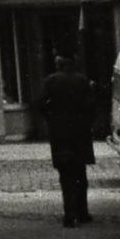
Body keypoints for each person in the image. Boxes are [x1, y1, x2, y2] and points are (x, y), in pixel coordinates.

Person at [38, 48, 95, 227]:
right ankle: (82, 211)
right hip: (80, 133)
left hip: (60, 133)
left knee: (66, 175)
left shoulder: (51, 81)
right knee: (80, 173)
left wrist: (51, 119)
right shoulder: (82, 81)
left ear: (59, 64)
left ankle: (70, 214)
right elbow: (91, 105)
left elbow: (40, 103)